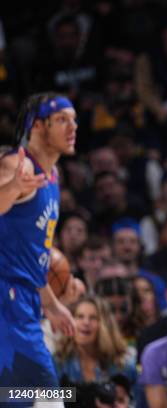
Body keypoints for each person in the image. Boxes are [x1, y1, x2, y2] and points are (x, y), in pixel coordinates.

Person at [0, 92, 77, 390]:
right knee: (46, 396)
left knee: (17, 398)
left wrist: (52, 303)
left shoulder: (53, 175)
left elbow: (31, 254)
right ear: (37, 125)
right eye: (61, 120)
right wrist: (14, 185)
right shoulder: (16, 164)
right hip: (8, 298)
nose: (72, 128)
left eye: (74, 120)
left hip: (25, 298)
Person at [53, 295, 137, 386]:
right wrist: (74, 394)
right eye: (80, 317)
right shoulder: (58, 361)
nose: (86, 322)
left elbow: (137, 398)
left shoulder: (124, 364)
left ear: (105, 325)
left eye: (93, 318)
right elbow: (39, 395)